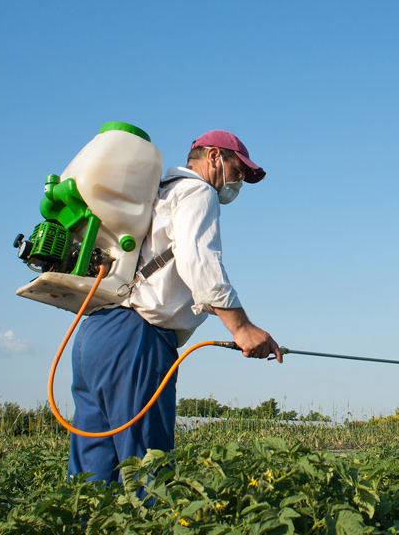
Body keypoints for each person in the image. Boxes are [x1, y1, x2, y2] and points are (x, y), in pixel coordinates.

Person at [68, 129, 282, 483]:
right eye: (237, 170)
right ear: (213, 156)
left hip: (95, 333)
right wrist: (242, 329)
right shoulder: (198, 191)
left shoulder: (157, 193)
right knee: (148, 473)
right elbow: (200, 263)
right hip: (136, 338)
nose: (238, 182)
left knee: (92, 477)